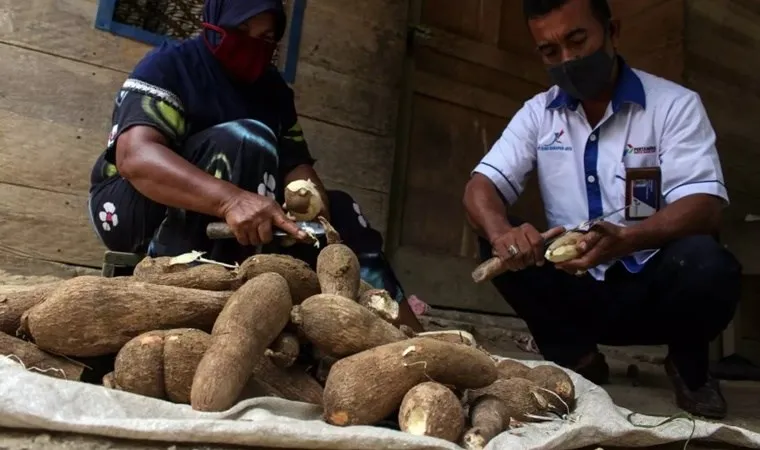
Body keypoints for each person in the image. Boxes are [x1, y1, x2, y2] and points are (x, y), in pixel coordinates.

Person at [463, 0, 741, 419]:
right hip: (573, 286)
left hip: (651, 288)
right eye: (550, 52)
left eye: (577, 40)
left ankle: (689, 366)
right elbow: (480, 187)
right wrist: (503, 233)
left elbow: (704, 206)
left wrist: (628, 240)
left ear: (612, 32)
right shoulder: (539, 113)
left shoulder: (674, 105)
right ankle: (577, 357)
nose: (568, 60)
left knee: (707, 262)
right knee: (496, 245)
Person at [86, 0, 422, 331]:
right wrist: (231, 200)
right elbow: (135, 157)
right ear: (213, 24)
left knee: (341, 210)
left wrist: (310, 205)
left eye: (265, 38)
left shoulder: (272, 89)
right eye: (239, 30)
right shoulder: (170, 66)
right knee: (245, 138)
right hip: (137, 207)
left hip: (239, 219)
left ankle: (407, 337)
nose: (251, 45)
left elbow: (297, 165)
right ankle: (198, 298)